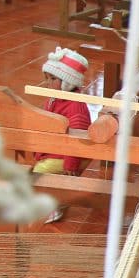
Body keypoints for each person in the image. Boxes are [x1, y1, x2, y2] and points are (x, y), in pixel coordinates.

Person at [33, 47, 93, 223]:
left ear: (67, 82)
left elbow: (78, 139)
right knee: (39, 170)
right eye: (47, 78)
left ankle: (55, 204)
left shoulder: (75, 106)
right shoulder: (54, 98)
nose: (48, 83)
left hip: (68, 153)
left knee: (40, 173)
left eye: (53, 79)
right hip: (56, 149)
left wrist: (71, 164)